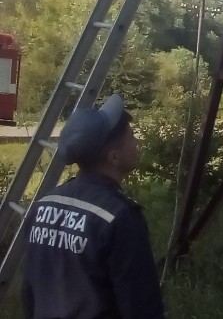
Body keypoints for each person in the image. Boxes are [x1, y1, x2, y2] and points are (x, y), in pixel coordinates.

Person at [21, 94, 165, 319]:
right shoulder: (120, 218)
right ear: (114, 157)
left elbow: (31, 292)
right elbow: (141, 306)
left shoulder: (43, 206)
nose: (138, 143)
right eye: (131, 137)